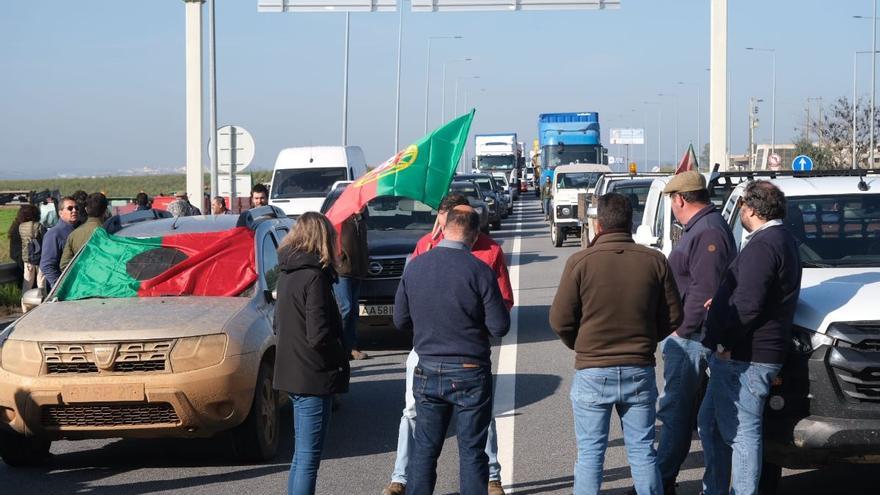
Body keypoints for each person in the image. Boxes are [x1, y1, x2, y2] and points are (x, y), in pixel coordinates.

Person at [549, 193, 683, 495]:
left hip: (592, 368)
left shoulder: (580, 262)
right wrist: (647, 339)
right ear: (631, 222)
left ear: (598, 225)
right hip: (639, 368)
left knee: (591, 454)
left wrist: (581, 345)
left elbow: (560, 319)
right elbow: (674, 315)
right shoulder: (654, 261)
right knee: (642, 451)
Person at [382, 194, 514, 495]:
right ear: (474, 234)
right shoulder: (479, 270)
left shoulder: (415, 266)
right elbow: (499, 325)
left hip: (427, 365)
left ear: (445, 227)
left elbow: (400, 320)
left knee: (425, 450)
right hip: (470, 367)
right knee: (471, 450)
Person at [698, 181, 802, 495]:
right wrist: (720, 301)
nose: (741, 211)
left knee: (742, 433)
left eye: (743, 206)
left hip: (747, 357)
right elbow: (750, 293)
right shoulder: (777, 239)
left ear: (752, 209)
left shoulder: (765, 244)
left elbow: (748, 304)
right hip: (746, 355)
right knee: (711, 423)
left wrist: (725, 343)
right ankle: (714, 489)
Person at [652, 171, 736, 495]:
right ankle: (664, 479)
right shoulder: (700, 228)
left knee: (680, 412)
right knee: (688, 414)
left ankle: (661, 482)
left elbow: (706, 290)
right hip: (693, 335)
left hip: (694, 338)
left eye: (672, 201)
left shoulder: (708, 231)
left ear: (680, 199)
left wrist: (682, 331)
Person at [273, 211, 350, 495]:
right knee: (308, 459)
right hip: (312, 375)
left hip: (292, 371)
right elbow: (319, 335)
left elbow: (279, 323)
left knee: (300, 456)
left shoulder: (287, 274)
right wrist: (340, 357)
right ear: (322, 238)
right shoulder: (314, 278)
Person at [334, 209, 369, 360]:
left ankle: (351, 347)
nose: (363, 206)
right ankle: (338, 347)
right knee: (345, 308)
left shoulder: (361, 220)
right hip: (342, 271)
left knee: (354, 310)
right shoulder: (340, 219)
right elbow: (333, 243)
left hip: (357, 270)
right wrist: (340, 259)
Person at [40, 196, 79, 291]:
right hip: (65, 291)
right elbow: (46, 265)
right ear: (60, 213)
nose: (74, 210)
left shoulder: (79, 231)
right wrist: (60, 287)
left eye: (76, 208)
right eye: (70, 208)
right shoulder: (54, 234)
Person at [60, 192, 108, 270]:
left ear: (86, 209)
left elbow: (64, 265)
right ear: (105, 211)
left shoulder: (74, 235)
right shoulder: (110, 233)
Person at [17, 204, 45, 299]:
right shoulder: (39, 226)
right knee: (41, 281)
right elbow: (45, 239)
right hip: (40, 257)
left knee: (28, 281)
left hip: (27, 258)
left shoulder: (20, 227)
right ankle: (41, 301)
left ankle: (25, 304)